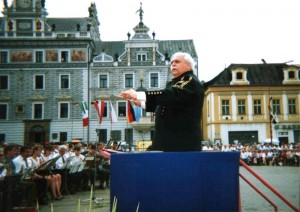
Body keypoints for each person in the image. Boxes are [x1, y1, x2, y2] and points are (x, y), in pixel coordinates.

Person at [120, 52, 204, 152]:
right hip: (165, 141)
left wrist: (139, 94)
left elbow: (170, 95)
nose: (173, 64)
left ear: (188, 65)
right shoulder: (174, 82)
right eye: (172, 62)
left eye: (177, 61)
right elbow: (166, 105)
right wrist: (142, 104)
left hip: (180, 142)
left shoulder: (189, 80)